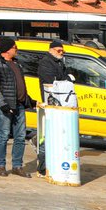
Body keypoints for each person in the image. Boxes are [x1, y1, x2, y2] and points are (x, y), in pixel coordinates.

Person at [0, 37, 36, 177]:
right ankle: (0, 165)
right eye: (15, 47)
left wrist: (30, 101)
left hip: (19, 105)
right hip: (5, 106)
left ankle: (17, 166)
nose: (17, 49)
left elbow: (20, 86)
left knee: (20, 136)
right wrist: (2, 104)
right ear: (7, 49)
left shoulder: (17, 64)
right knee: (3, 135)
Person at [35, 39, 71, 174]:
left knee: (57, 133)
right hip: (51, 101)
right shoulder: (46, 62)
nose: (62, 53)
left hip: (61, 102)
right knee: (49, 133)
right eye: (59, 50)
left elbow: (66, 79)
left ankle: (51, 161)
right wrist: (63, 81)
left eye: (63, 50)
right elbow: (52, 82)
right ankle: (43, 165)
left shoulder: (60, 62)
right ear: (51, 50)